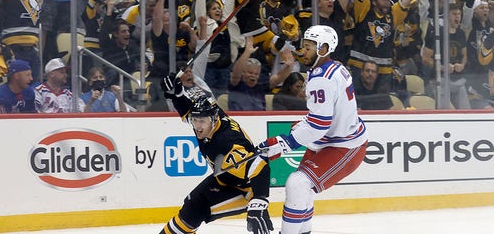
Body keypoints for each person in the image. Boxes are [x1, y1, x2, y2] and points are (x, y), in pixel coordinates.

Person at [257, 25, 368, 234]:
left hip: (344, 145)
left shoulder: (321, 79)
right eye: (304, 46)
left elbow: (319, 124)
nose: (303, 50)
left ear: (324, 49)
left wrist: (285, 143)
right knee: (301, 188)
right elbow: (326, 115)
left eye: (308, 47)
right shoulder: (334, 67)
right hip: (331, 140)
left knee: (298, 184)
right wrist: (301, 128)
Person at [158, 74, 273, 234]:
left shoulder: (226, 143)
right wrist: (175, 94)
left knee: (194, 210)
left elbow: (259, 166)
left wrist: (259, 201)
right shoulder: (208, 118)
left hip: (245, 190)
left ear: (213, 119)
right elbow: (189, 111)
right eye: (195, 121)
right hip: (224, 179)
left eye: (202, 121)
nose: (197, 126)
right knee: (191, 205)